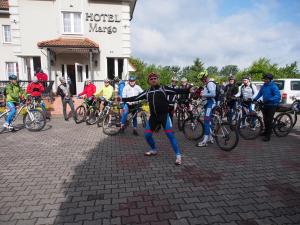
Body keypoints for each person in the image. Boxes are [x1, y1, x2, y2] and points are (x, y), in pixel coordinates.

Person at [121, 72, 194, 165]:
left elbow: (177, 91)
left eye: (155, 78)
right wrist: (123, 99)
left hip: (164, 116)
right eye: (151, 79)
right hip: (153, 117)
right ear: (149, 81)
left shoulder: (163, 88)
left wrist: (188, 90)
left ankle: (178, 155)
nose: (153, 80)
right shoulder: (147, 92)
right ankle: (153, 149)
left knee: (170, 136)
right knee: (147, 135)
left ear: (158, 79)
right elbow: (135, 97)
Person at [253, 73, 281, 141]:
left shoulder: (273, 86)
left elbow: (277, 96)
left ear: (269, 79)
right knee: (265, 119)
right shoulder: (263, 86)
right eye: (264, 79)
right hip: (266, 104)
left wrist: (269, 99)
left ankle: (268, 136)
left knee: (269, 120)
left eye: (266, 79)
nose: (264, 80)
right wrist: (255, 99)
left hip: (273, 104)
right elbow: (260, 93)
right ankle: (266, 131)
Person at [196, 71, 216, 147]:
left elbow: (213, 94)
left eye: (202, 79)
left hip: (210, 104)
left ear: (205, 78)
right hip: (208, 104)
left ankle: (204, 141)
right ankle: (210, 138)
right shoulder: (207, 84)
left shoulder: (210, 83)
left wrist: (203, 94)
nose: (201, 81)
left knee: (206, 122)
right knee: (209, 122)